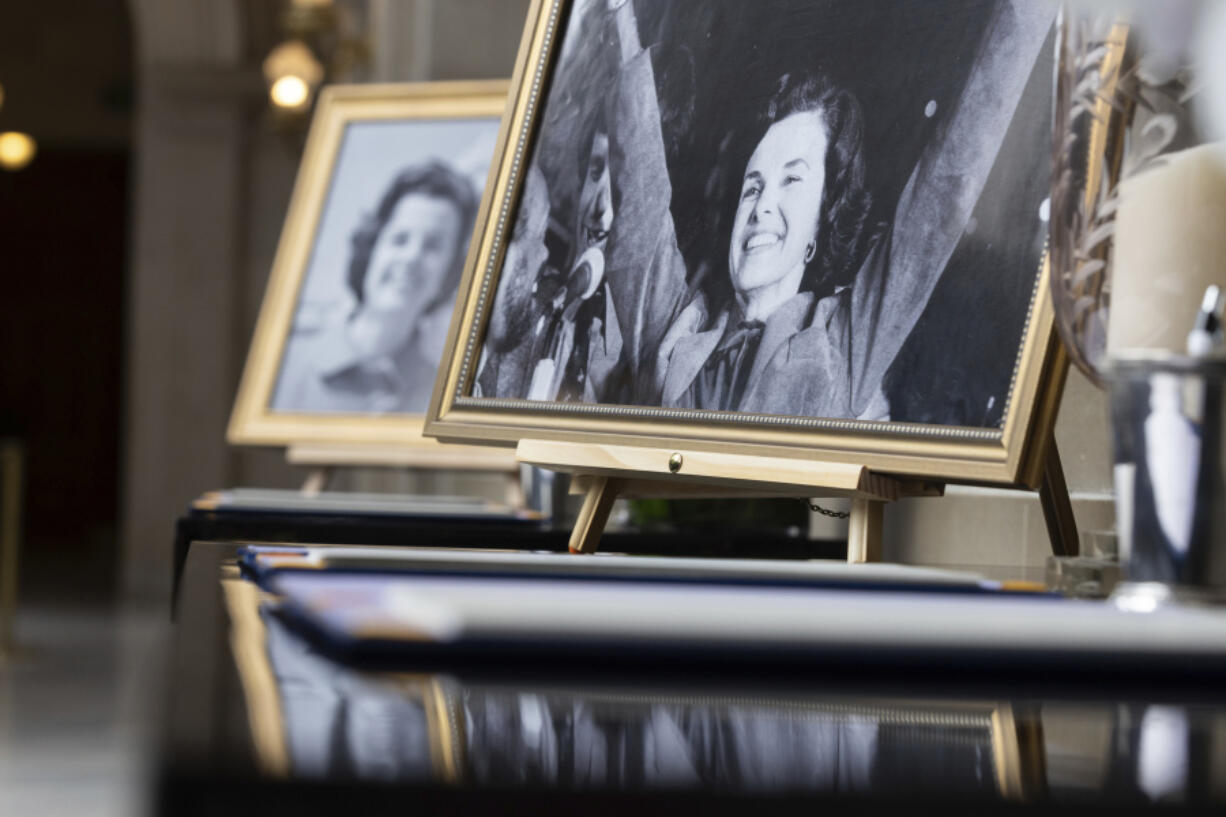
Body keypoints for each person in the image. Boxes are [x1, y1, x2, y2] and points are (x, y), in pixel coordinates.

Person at [599, 0, 1054, 419]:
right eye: (752, 188)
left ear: (819, 225)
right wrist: (620, 10)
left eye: (792, 180)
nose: (762, 208)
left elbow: (943, 196)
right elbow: (641, 205)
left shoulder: (839, 346)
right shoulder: (673, 332)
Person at [273, 161, 476, 414]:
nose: (412, 257)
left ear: (451, 270)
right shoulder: (285, 364)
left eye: (433, 246)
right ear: (371, 247)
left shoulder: (448, 396)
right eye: (400, 239)